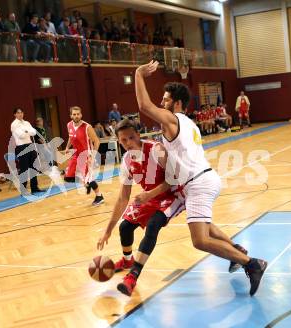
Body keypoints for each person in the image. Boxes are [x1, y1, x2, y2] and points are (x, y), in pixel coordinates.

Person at [134, 60, 267, 296]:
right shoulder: (189, 124)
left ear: (176, 104)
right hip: (203, 179)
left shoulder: (172, 119)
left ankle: (252, 263)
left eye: (165, 100)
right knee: (205, 225)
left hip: (198, 183)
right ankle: (237, 250)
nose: (161, 103)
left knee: (200, 240)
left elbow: (144, 105)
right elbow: (176, 164)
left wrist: (138, 74)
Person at [97, 119, 184, 296]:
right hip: (151, 197)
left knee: (153, 225)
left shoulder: (155, 149)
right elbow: (123, 198)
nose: (128, 143)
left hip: (173, 195)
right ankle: (128, 260)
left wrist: (149, 195)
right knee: (125, 226)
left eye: (130, 138)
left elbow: (174, 179)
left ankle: (133, 276)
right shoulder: (127, 160)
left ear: (138, 134)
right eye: (123, 140)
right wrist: (107, 231)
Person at [64, 106, 104, 206]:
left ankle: (99, 196)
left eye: (78, 114)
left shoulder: (87, 127)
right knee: (68, 177)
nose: (76, 116)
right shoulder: (69, 125)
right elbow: (70, 137)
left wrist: (92, 156)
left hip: (86, 156)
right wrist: (67, 147)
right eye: (74, 114)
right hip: (76, 154)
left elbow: (96, 141)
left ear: (81, 115)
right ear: (71, 115)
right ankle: (86, 184)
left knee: (88, 178)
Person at [11, 108, 43, 194]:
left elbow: (34, 133)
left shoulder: (27, 123)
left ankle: (34, 187)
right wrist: (28, 131)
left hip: (30, 145)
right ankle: (23, 190)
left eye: (21, 112)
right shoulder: (14, 124)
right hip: (21, 147)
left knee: (34, 167)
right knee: (24, 169)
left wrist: (26, 131)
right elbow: (21, 135)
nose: (20, 114)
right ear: (15, 114)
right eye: (18, 113)